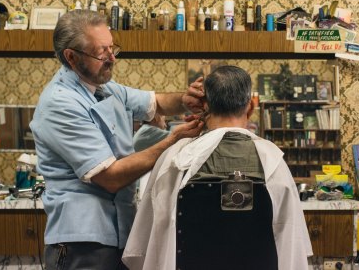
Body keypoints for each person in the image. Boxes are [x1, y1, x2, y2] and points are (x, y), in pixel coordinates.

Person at [29, 10, 204, 270]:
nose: (112, 58)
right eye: (102, 52)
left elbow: (154, 103)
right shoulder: (60, 103)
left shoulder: (104, 87)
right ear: (71, 57)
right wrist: (172, 141)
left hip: (120, 232)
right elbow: (110, 177)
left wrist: (184, 100)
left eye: (113, 48)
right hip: (83, 241)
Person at [122, 65, 313, 269]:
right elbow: (291, 245)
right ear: (250, 107)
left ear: (204, 106)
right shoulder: (273, 161)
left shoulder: (175, 157)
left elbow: (146, 246)